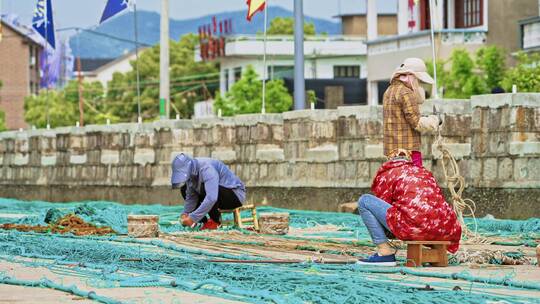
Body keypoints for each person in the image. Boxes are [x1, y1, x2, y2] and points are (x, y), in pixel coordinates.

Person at [356, 151, 462, 266]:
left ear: (390, 158)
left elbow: (383, 205)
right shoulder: (424, 172)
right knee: (422, 212)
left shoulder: (389, 172)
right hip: (445, 229)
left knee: (364, 201)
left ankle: (384, 252)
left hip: (413, 227)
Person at [383, 58, 441, 167]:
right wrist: (435, 120)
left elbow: (405, 115)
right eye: (418, 79)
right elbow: (416, 122)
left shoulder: (389, 91)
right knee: (416, 181)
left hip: (392, 152)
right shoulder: (406, 93)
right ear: (410, 76)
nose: (419, 83)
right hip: (409, 151)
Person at [171, 153, 246, 230]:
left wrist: (192, 217)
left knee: (205, 189)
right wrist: (185, 214)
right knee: (184, 188)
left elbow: (211, 197)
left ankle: (215, 221)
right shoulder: (192, 173)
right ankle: (203, 222)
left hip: (235, 196)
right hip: (218, 195)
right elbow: (191, 197)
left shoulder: (206, 169)